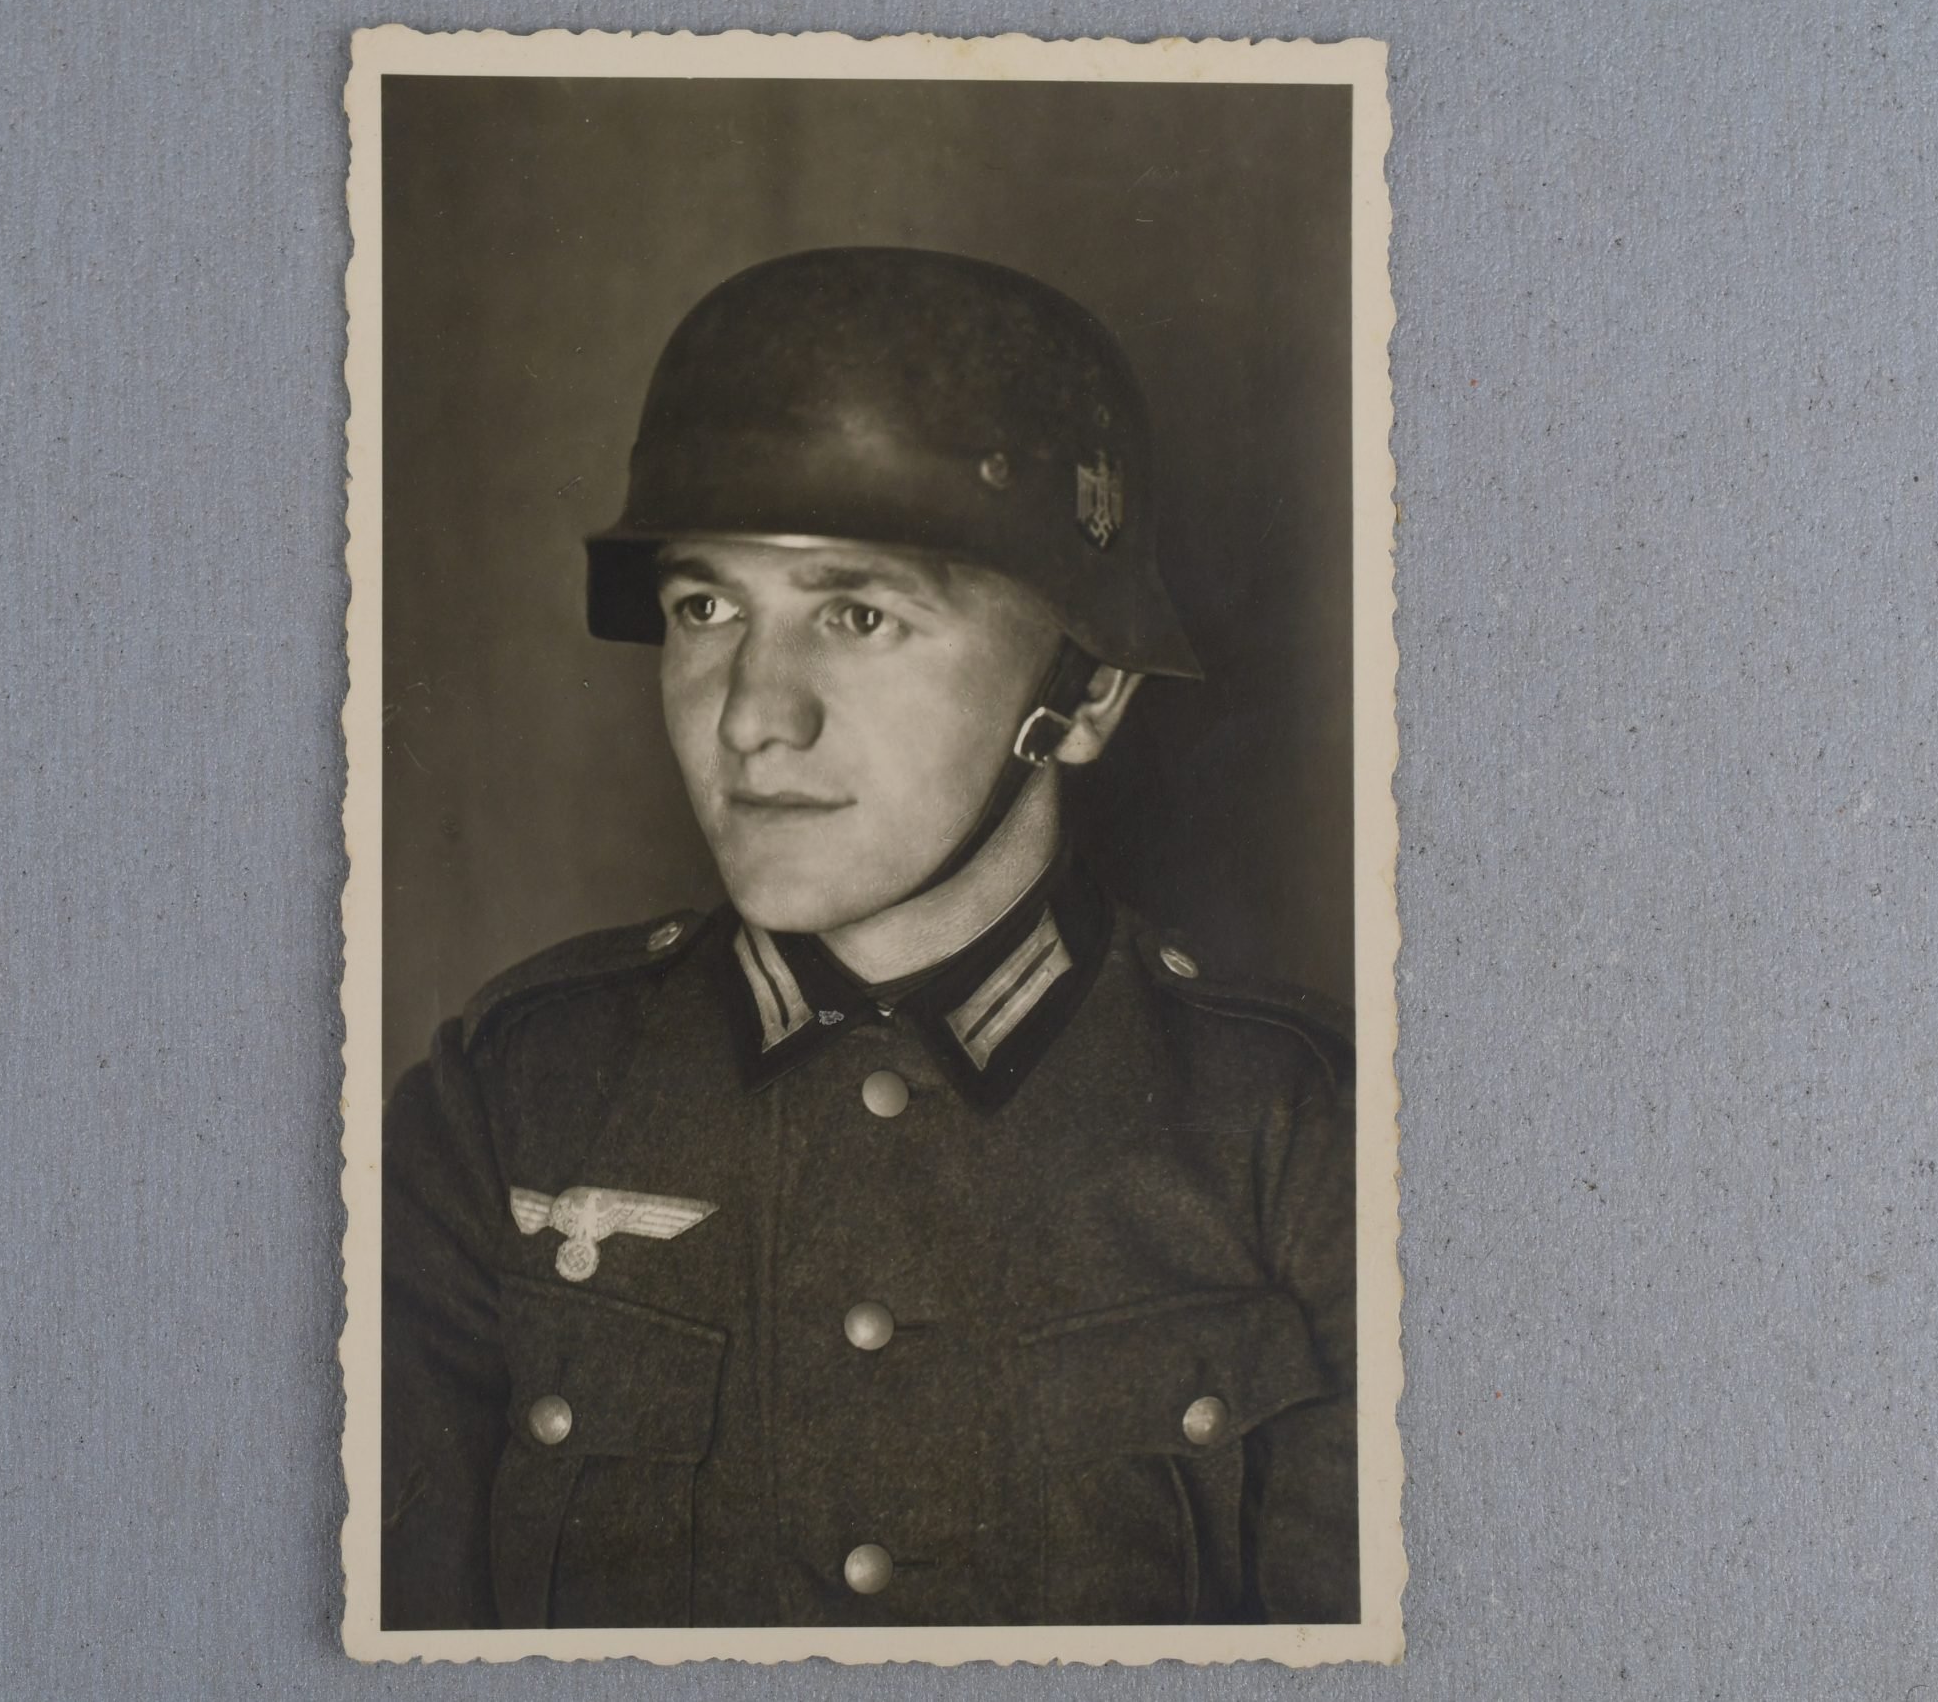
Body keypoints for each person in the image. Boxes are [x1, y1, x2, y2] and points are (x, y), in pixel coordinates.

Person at [381, 247, 1356, 1629]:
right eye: (705, 608)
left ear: (1085, 697)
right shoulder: (508, 1101)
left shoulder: (1305, 1143)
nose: (751, 715)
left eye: (857, 613)